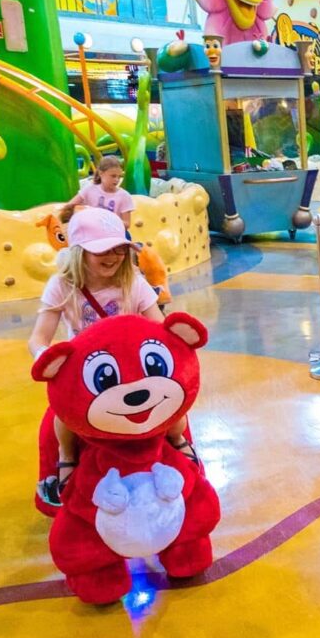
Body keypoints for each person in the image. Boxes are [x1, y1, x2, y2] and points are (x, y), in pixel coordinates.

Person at [28, 207, 195, 507]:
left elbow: (159, 328)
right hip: (87, 373)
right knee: (61, 411)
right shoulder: (62, 285)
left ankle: (177, 441)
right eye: (101, 250)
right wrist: (47, 360)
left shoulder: (133, 282)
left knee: (173, 397)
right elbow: (39, 338)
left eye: (119, 248)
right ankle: (67, 455)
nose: (113, 256)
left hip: (134, 367)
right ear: (79, 251)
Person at [67, 156, 135, 228]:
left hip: (113, 231)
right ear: (101, 173)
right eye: (113, 176)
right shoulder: (89, 189)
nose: (117, 180)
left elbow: (127, 224)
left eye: (119, 176)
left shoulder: (124, 196)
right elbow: (69, 206)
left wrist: (109, 220)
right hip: (91, 229)